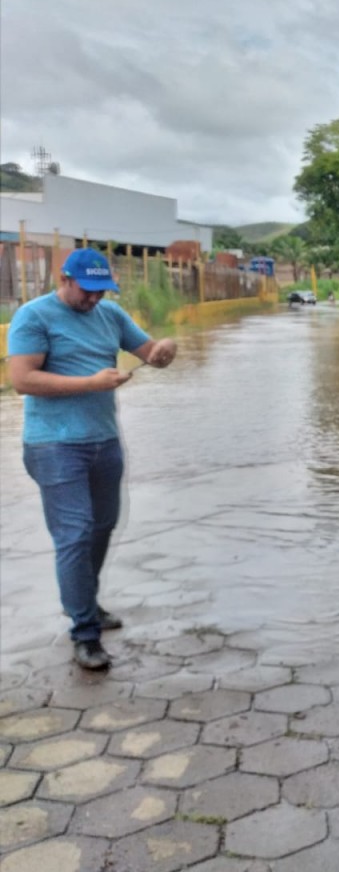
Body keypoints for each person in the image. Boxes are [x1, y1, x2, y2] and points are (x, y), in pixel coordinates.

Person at [7, 247, 178, 671]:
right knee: (75, 533)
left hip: (103, 440)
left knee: (102, 525)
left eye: (102, 290)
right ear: (64, 279)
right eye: (88, 290)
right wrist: (90, 382)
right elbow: (22, 380)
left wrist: (162, 352)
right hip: (54, 445)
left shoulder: (110, 314)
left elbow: (148, 349)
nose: (95, 299)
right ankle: (85, 632)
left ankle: (86, 601)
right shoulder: (34, 316)